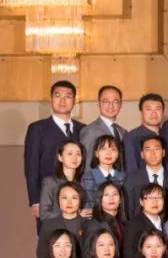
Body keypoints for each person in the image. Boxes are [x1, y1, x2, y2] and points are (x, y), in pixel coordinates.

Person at [25, 81, 84, 220]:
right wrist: (35, 200)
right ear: (51, 99)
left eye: (68, 96)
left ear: (74, 101)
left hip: (78, 197)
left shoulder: (83, 129)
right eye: (58, 95)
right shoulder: (37, 129)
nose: (63, 100)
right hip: (49, 197)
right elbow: (31, 165)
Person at [80, 85, 127, 172]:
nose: (111, 105)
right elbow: (86, 166)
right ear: (98, 104)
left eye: (115, 101)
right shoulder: (90, 131)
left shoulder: (123, 132)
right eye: (106, 101)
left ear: (120, 105)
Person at [124, 135, 168, 219]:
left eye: (156, 149)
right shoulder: (131, 179)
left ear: (163, 152)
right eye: (148, 149)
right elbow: (128, 210)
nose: (152, 153)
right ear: (142, 154)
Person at [39, 140, 84, 222]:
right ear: (60, 157)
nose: (74, 158)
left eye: (78, 154)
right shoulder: (50, 182)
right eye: (70, 154)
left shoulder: (82, 183)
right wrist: (73, 215)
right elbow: (44, 214)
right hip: (56, 228)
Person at [124, 93, 165, 173]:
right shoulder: (131, 137)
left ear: (163, 112)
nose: (154, 113)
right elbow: (131, 170)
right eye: (148, 109)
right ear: (141, 112)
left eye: (158, 109)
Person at [81, 135, 125, 210]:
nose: (108, 153)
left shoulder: (123, 177)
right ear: (96, 153)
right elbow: (89, 206)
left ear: (118, 154)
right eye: (103, 149)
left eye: (113, 149)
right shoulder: (88, 177)